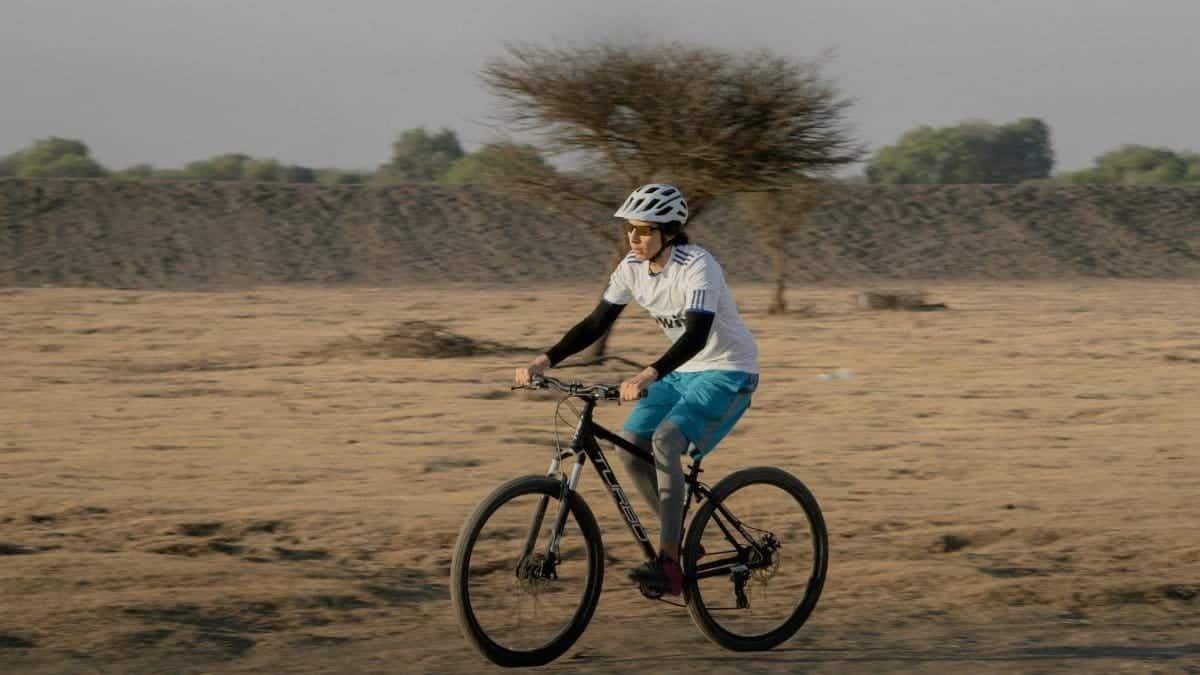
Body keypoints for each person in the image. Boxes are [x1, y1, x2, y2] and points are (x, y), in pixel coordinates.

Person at [514, 183, 759, 596]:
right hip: (682, 372)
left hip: (727, 369)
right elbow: (596, 324)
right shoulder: (630, 267)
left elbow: (697, 336)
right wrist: (545, 360)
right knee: (629, 447)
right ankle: (680, 541)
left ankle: (669, 562)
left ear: (667, 232)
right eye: (630, 229)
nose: (634, 237)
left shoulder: (698, 265)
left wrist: (647, 375)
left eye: (643, 230)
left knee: (665, 440)